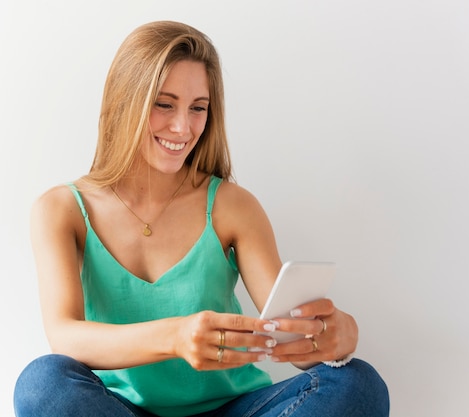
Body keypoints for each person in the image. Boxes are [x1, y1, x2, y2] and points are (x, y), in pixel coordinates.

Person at [13, 20, 389, 417]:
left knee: (358, 384)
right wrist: (176, 336)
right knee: (42, 385)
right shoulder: (62, 209)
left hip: (237, 409)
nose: (183, 127)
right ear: (127, 100)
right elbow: (65, 336)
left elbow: (291, 342)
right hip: (120, 411)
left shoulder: (231, 204)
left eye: (198, 108)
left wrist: (339, 335)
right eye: (164, 103)